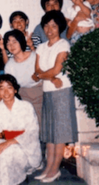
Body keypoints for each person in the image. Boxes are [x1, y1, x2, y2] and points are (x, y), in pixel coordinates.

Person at [33, 11, 78, 183]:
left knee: (59, 134)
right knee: (50, 133)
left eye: (53, 25)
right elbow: (37, 72)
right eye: (46, 25)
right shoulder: (41, 47)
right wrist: (50, 78)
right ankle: (48, 167)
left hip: (62, 91)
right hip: (48, 90)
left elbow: (56, 69)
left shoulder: (63, 45)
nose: (49, 29)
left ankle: (55, 170)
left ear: (59, 27)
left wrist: (49, 75)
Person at [0, 74, 41, 185]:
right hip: (4, 143)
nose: (6, 92)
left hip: (25, 146)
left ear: (15, 90)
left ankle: (20, 179)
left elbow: (32, 132)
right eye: (1, 88)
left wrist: (9, 141)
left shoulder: (26, 107)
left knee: (11, 151)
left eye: (9, 87)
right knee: (0, 153)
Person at [4, 29, 43, 127]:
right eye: (8, 43)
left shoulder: (34, 56)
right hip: (23, 97)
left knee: (42, 125)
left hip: (41, 93)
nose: (11, 46)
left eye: (14, 42)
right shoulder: (9, 66)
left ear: (21, 42)